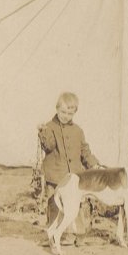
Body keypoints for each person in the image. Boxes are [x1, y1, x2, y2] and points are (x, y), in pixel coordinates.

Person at [38, 92, 103, 245]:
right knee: (54, 204)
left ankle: (79, 234)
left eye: (70, 113)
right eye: (63, 112)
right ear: (57, 109)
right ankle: (54, 235)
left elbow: (84, 151)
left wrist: (94, 164)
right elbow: (49, 146)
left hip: (74, 176)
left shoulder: (78, 131)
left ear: (75, 112)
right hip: (55, 175)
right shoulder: (49, 127)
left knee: (77, 204)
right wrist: (42, 133)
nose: (66, 116)